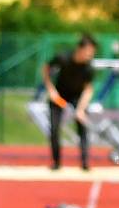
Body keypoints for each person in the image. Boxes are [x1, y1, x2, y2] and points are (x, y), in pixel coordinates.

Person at [42, 34, 98, 171]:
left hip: (77, 96)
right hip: (59, 94)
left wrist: (80, 109)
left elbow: (88, 90)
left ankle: (85, 163)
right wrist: (50, 89)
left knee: (82, 126)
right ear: (80, 49)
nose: (90, 55)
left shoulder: (88, 68)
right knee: (54, 129)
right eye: (88, 52)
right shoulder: (63, 58)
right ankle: (56, 163)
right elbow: (46, 69)